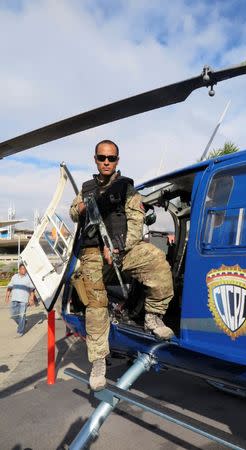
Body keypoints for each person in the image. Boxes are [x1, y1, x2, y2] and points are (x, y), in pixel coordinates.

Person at [70, 139, 174, 390]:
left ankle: (153, 317)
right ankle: (98, 361)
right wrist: (89, 204)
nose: (107, 162)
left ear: (118, 160)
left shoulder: (126, 188)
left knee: (158, 265)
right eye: (102, 158)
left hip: (122, 248)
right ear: (95, 159)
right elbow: (74, 213)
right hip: (93, 253)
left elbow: (136, 222)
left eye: (111, 158)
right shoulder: (85, 188)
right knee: (95, 304)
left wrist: (117, 246)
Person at [5, 263, 35, 337]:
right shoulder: (14, 277)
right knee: (13, 315)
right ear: (19, 269)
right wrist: (7, 296)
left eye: (25, 269)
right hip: (14, 299)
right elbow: (10, 286)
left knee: (21, 315)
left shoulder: (29, 278)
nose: (24, 270)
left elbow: (32, 289)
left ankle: (20, 331)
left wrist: (31, 298)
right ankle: (23, 322)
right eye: (22, 269)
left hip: (23, 300)